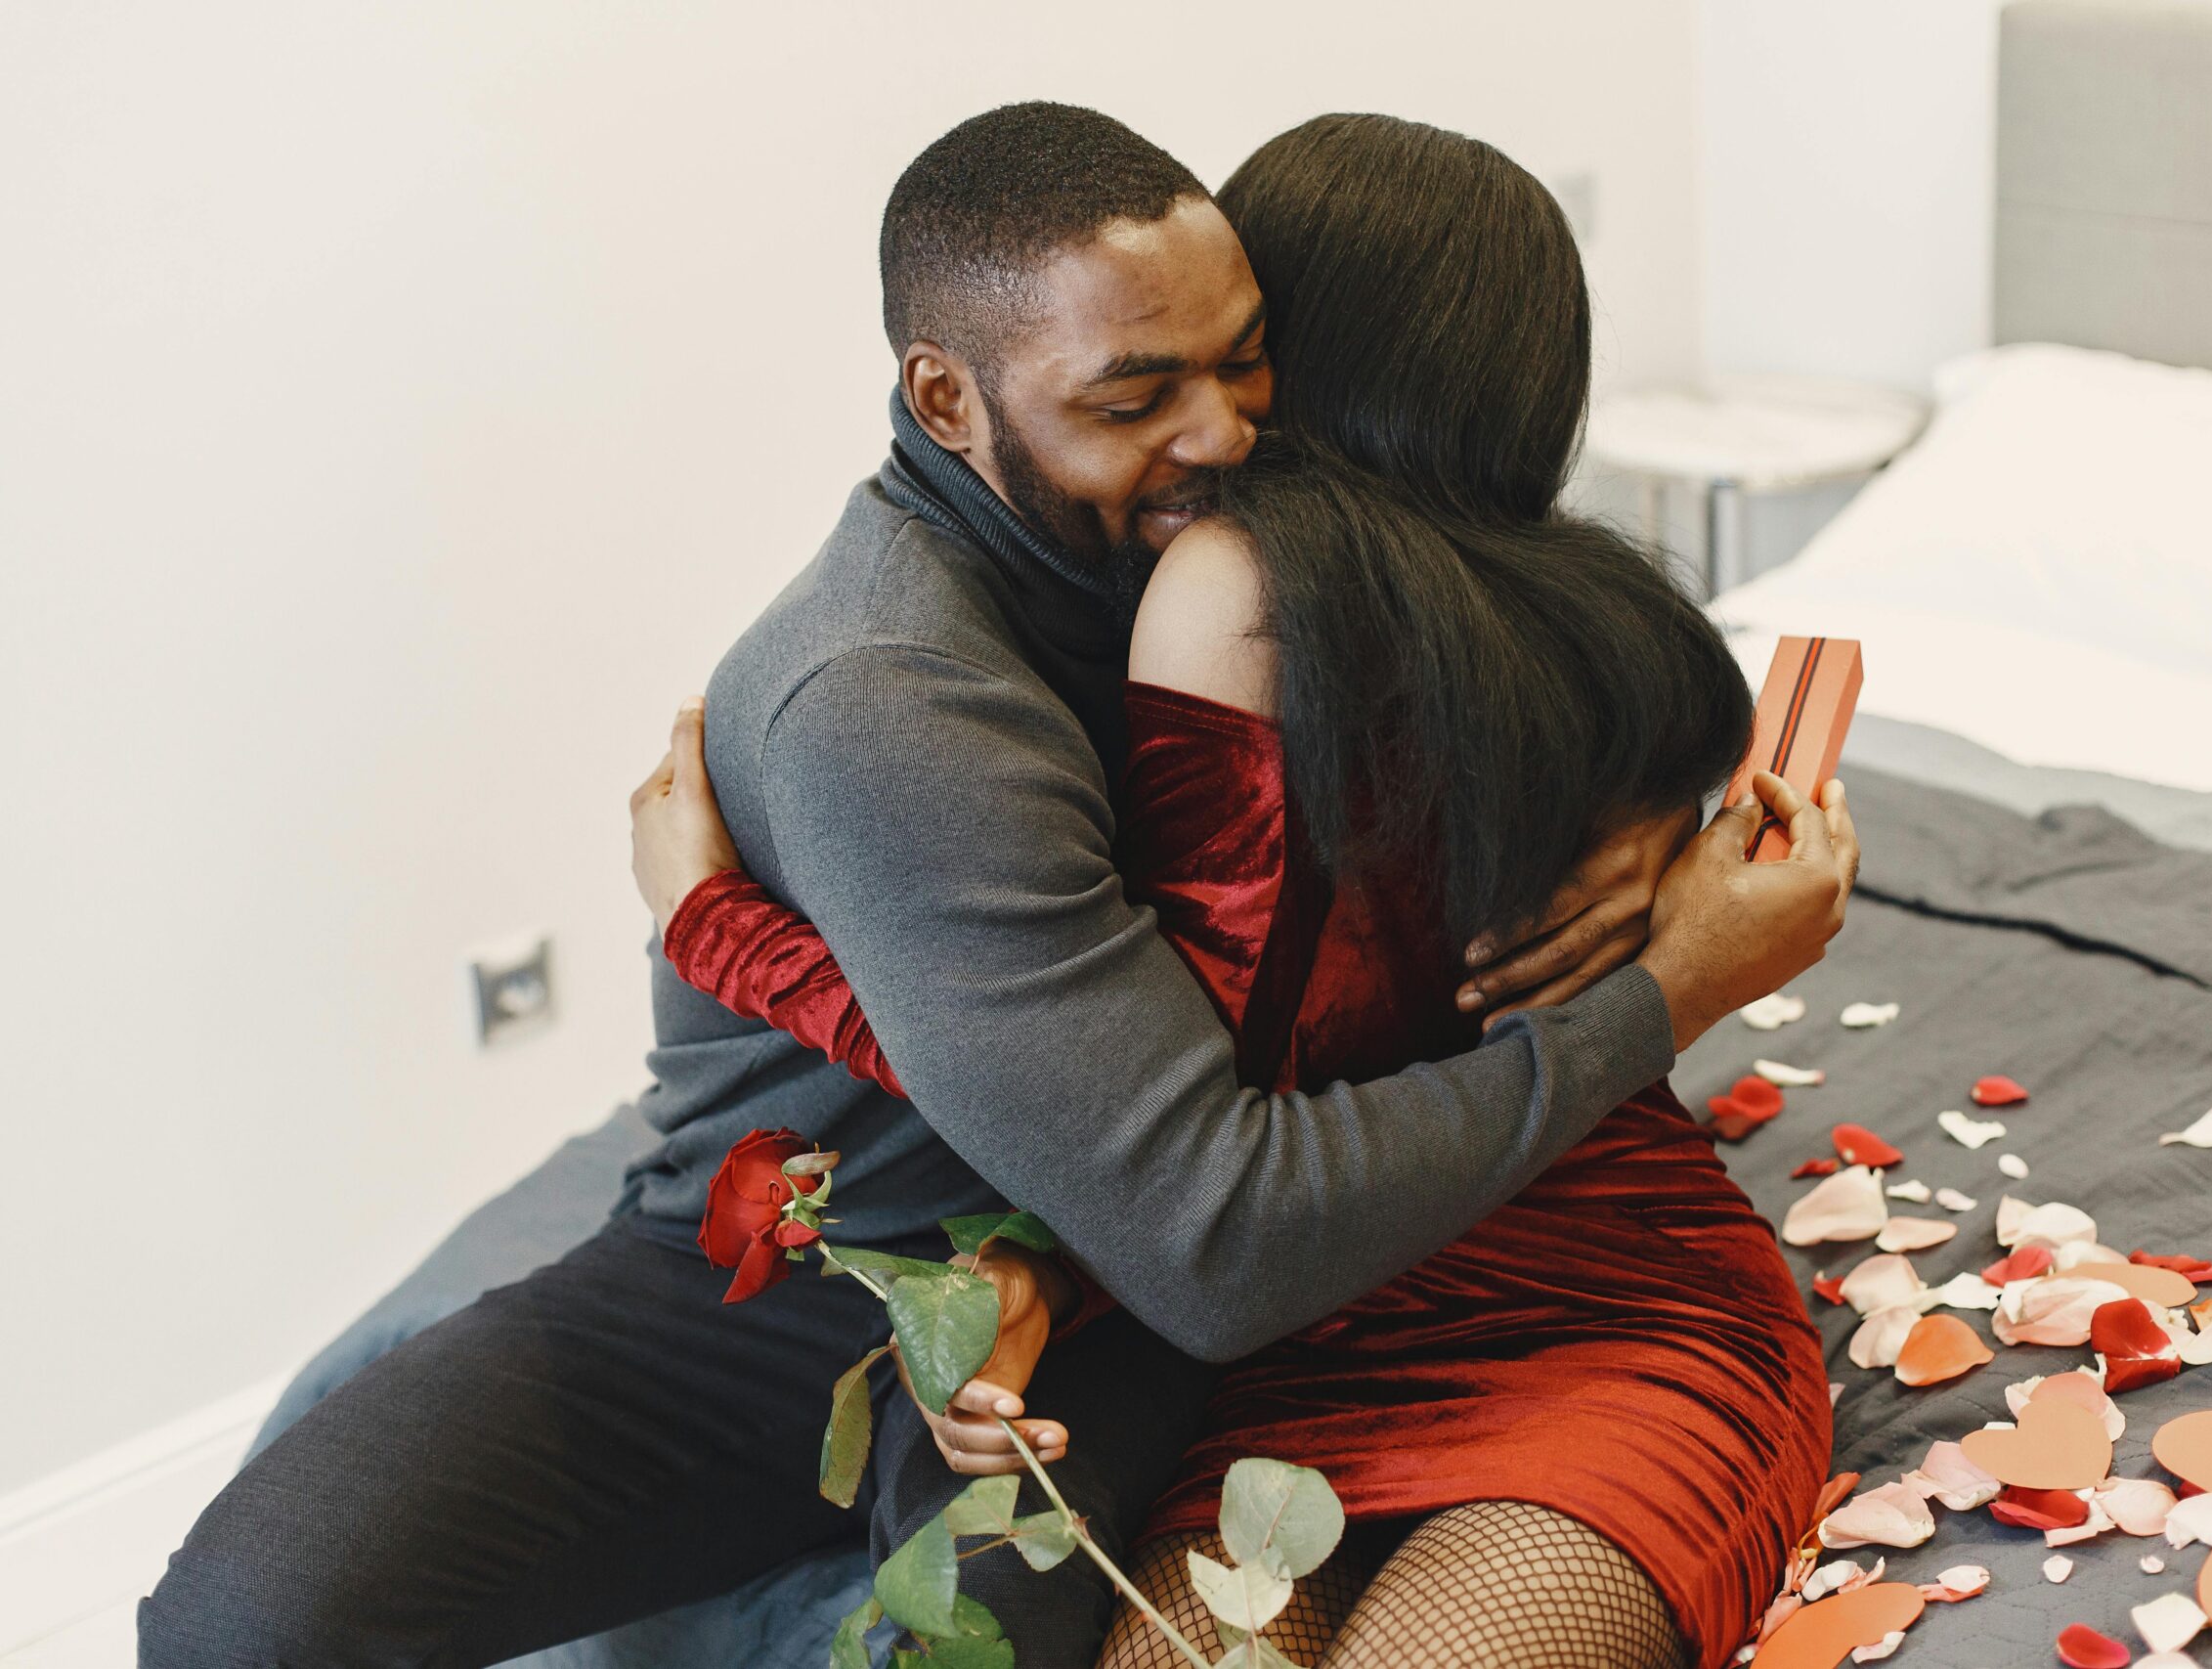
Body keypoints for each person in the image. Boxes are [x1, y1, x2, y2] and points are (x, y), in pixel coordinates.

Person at [142, 104, 1847, 1669]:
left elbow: (1504, 689)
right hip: (842, 1272)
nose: (1221, 436)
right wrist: (1668, 984)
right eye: (1133, 399)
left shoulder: (1239, 561)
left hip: (1126, 1283)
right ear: (947, 396)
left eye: (1253, 369)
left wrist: (1651, 811)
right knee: (243, 1620)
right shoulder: (900, 691)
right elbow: (1212, 1212)